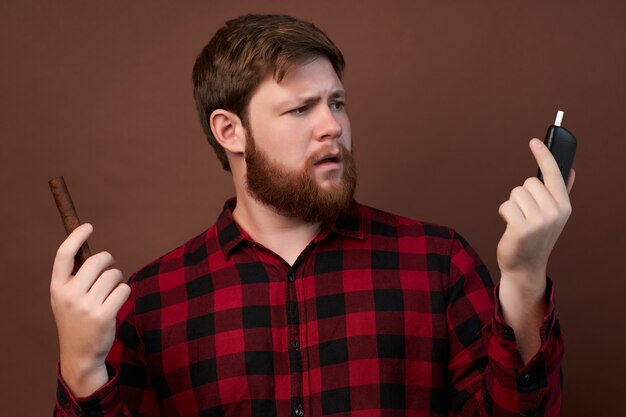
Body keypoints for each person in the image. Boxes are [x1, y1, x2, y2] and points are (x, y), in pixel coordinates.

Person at [51, 14, 575, 417]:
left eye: (338, 103)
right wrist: (81, 368)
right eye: (301, 109)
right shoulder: (151, 305)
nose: (332, 126)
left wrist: (526, 280)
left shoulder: (439, 264)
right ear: (230, 131)